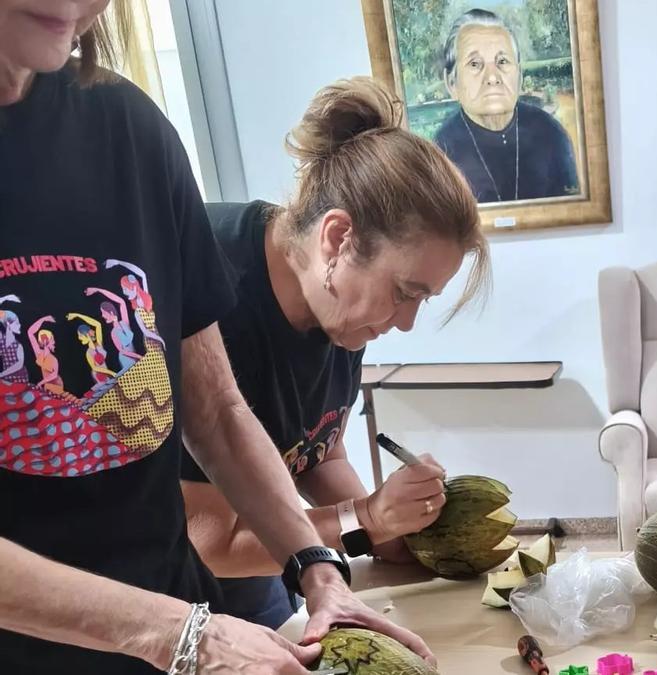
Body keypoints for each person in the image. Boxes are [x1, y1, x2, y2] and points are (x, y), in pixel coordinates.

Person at [0, 2, 432, 673]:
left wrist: (316, 567)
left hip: (174, 635)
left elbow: (220, 413)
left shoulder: (134, 133)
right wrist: (177, 633)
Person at [180, 76, 490, 629]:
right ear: (338, 238)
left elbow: (320, 452)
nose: (406, 322)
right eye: (405, 293)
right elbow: (213, 540)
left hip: (270, 574)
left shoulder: (338, 308)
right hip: (170, 603)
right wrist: (365, 519)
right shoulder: (210, 286)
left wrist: (390, 532)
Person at [433, 8, 579, 203]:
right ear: (452, 83)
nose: (492, 77)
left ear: (519, 76)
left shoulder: (550, 134)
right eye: (475, 64)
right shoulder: (441, 151)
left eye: (502, 61)